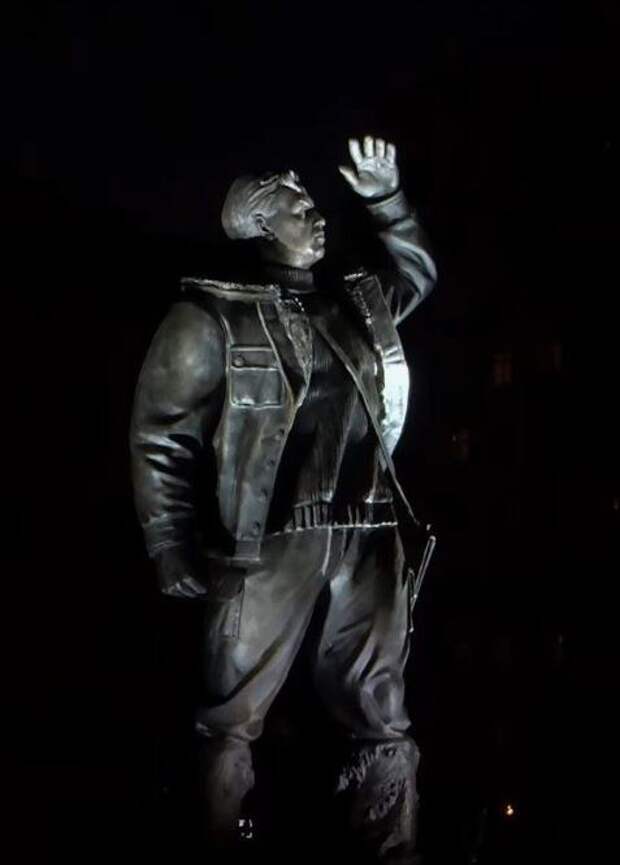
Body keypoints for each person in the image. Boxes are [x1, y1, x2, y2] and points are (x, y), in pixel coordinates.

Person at [130, 135, 437, 863]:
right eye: (301, 208)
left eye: (315, 205)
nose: (318, 216)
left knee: (382, 709)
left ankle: (392, 847)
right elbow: (160, 434)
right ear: (263, 225)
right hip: (271, 535)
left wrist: (388, 201)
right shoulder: (210, 316)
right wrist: (169, 539)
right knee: (231, 714)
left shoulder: (354, 304)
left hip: (367, 526)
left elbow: (416, 273)